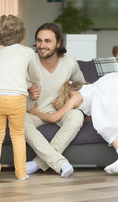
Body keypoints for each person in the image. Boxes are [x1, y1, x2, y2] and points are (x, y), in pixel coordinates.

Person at [29, 73, 118, 177]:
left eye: (66, 100)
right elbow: (90, 117)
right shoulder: (92, 96)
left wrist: (37, 113)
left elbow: (54, 118)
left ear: (72, 92)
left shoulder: (76, 96)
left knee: (111, 125)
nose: (68, 104)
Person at [25, 23, 86, 178]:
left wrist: (66, 96)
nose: (42, 45)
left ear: (58, 43)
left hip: (59, 111)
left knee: (77, 116)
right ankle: (60, 163)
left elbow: (83, 88)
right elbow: (14, 92)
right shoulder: (28, 61)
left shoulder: (70, 62)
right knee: (18, 120)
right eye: (39, 41)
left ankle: (38, 164)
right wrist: (28, 92)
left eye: (47, 41)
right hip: (33, 112)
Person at [0, 15, 41, 181]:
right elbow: (35, 75)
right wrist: (32, 84)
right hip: (16, 98)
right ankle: (21, 173)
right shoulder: (28, 52)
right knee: (17, 136)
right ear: (22, 33)